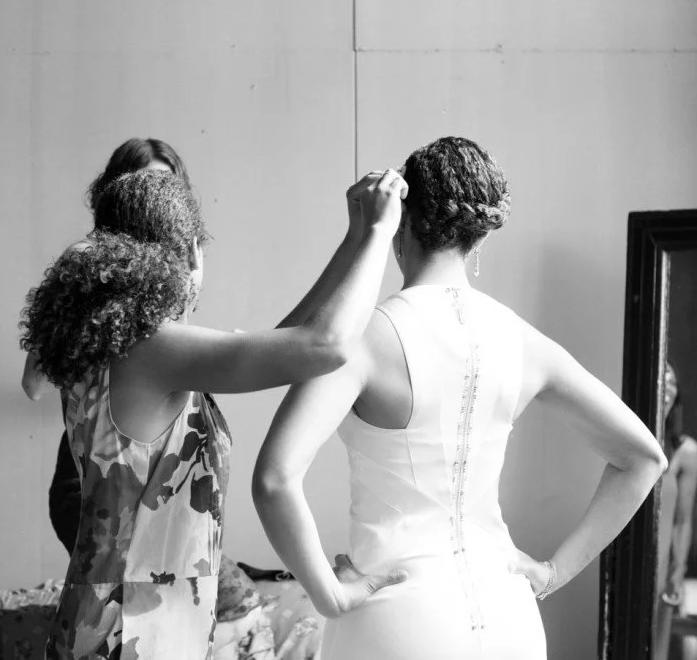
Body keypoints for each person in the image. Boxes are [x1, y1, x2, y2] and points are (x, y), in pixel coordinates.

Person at [253, 136, 668, 660]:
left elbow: (274, 479)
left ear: (402, 223)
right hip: (511, 618)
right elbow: (644, 458)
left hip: (398, 621)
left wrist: (329, 595)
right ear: (479, 240)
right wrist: (553, 572)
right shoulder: (524, 341)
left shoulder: (361, 339)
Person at [21, 168, 407, 659]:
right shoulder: (151, 351)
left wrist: (354, 239)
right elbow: (324, 346)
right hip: (133, 638)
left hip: (112, 629)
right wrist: (380, 232)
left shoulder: (107, 351)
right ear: (189, 253)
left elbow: (284, 342)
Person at [22, 137, 190, 555]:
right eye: (142, 185)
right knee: (110, 614)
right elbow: (34, 382)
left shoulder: (179, 267)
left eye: (166, 188)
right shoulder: (86, 261)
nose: (153, 199)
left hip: (162, 469)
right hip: (93, 478)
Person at [654, 362, 697, 660]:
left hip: (660, 568)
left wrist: (677, 573)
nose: (666, 388)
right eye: (661, 380)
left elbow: (683, 522)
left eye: (672, 382)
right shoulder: (630, 442)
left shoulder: (686, 452)